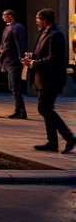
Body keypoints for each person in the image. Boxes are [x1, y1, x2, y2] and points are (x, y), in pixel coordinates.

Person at [24, 8, 75, 153]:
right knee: (47, 108)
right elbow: (42, 53)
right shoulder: (46, 33)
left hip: (50, 79)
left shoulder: (55, 34)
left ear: (45, 20)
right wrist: (31, 57)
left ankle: (70, 137)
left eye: (38, 19)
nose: (36, 22)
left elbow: (54, 58)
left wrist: (34, 63)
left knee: (44, 108)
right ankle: (52, 142)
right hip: (42, 79)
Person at [0, 9, 28, 119]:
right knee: (12, 87)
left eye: (5, 15)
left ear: (10, 16)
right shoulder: (7, 28)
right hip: (8, 60)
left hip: (14, 61)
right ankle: (18, 109)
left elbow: (20, 44)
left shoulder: (17, 27)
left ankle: (22, 111)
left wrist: (21, 58)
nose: (3, 17)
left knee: (15, 87)